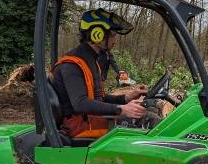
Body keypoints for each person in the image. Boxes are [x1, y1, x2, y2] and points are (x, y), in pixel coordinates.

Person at [51, 8, 147, 139]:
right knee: (148, 122)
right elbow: (80, 103)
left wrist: (128, 97)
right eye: (113, 35)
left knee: (147, 114)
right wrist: (121, 109)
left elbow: (99, 99)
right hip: (80, 129)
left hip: (91, 122)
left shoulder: (91, 61)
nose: (115, 40)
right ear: (97, 34)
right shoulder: (72, 65)